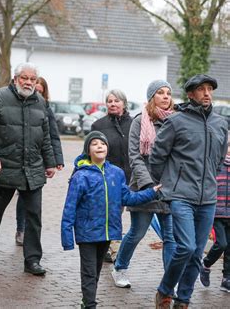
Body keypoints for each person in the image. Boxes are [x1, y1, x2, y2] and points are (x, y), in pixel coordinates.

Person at [151, 74, 228, 308]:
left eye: (209, 89)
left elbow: (218, 159)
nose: (207, 93)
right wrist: (169, 184)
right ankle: (165, 290)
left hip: (208, 198)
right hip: (181, 195)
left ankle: (183, 299)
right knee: (186, 247)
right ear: (190, 94)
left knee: (196, 254)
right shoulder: (176, 122)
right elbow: (157, 157)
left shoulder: (220, 123)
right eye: (201, 89)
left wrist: (209, 181)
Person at [61, 131, 159, 309]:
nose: (99, 146)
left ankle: (87, 301)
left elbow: (128, 198)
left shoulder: (116, 173)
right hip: (87, 233)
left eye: (103, 143)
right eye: (94, 144)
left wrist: (152, 192)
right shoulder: (80, 176)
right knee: (89, 271)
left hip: (108, 232)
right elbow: (69, 208)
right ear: (88, 150)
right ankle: (90, 304)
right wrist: (67, 237)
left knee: (96, 270)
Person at [0, 62, 56, 275]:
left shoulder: (40, 102)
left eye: (32, 79)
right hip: (4, 167)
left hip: (32, 169)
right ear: (15, 79)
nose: (29, 82)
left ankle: (32, 260)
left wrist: (49, 162)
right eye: (25, 78)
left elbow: (46, 136)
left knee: (34, 216)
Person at [111, 80, 176, 288]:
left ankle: (169, 280)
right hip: (144, 188)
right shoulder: (140, 121)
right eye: (160, 93)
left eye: (168, 93)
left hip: (170, 188)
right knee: (137, 233)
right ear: (151, 98)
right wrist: (149, 185)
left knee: (171, 237)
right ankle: (119, 267)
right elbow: (135, 156)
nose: (165, 96)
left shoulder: (177, 121)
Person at [15, 76, 64, 246]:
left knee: (33, 197)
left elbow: (53, 135)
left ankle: (29, 231)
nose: (37, 94)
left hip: (39, 159)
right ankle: (20, 228)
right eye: (36, 91)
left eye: (41, 92)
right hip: (21, 158)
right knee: (22, 196)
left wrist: (57, 159)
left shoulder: (45, 108)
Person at [91, 89, 133, 263]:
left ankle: (111, 247)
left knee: (118, 214)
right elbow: (90, 153)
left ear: (124, 103)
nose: (113, 104)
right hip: (107, 178)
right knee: (111, 214)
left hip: (130, 177)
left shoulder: (134, 124)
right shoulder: (99, 126)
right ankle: (112, 249)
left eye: (117, 101)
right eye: (109, 101)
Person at [199, 140, 230, 292]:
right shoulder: (217, 166)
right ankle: (206, 265)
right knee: (222, 243)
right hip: (217, 213)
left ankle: (226, 279)